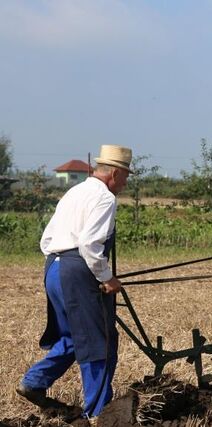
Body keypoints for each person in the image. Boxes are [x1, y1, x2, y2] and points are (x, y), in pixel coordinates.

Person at [17, 145, 132, 418]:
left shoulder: (74, 191)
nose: (125, 184)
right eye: (126, 177)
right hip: (78, 270)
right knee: (98, 342)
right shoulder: (104, 198)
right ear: (114, 173)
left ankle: (34, 382)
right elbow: (90, 244)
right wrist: (106, 277)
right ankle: (99, 414)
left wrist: (66, 267)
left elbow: (47, 240)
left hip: (54, 269)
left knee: (72, 335)